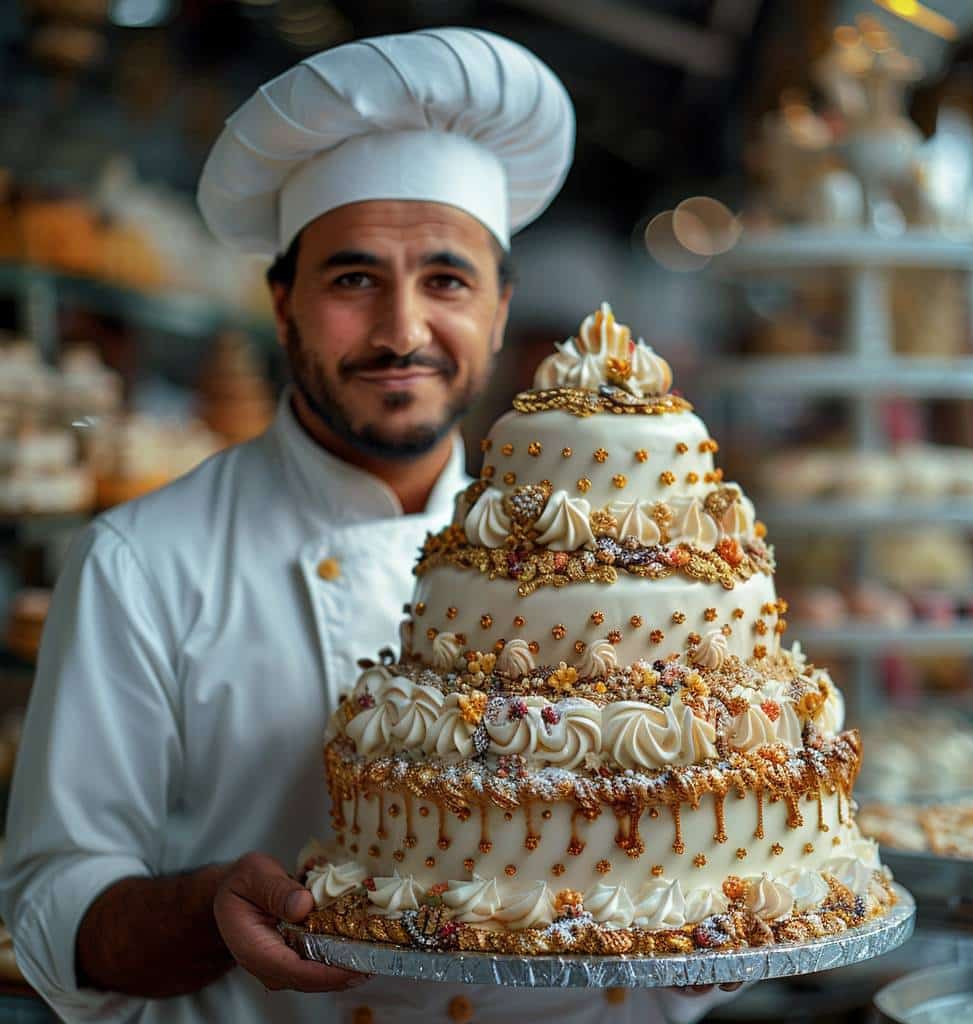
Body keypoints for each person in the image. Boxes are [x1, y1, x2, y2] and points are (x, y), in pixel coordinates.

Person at [0, 27, 742, 1024]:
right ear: (282, 304)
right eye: (353, 279)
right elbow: (53, 910)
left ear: (498, 306)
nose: (401, 330)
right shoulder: (141, 562)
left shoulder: (611, 576)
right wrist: (204, 908)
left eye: (446, 281)